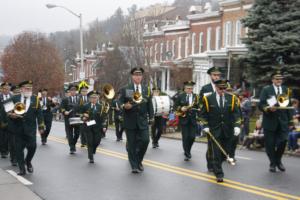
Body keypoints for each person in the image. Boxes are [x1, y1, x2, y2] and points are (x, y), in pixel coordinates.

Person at [200, 79, 241, 182]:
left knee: (225, 152)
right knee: (216, 153)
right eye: (220, 88)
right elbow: (202, 115)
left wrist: (237, 126)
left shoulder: (231, 98)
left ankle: (217, 165)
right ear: (216, 88)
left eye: (224, 88)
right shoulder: (208, 98)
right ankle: (219, 173)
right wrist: (205, 125)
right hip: (213, 130)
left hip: (228, 130)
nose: (222, 90)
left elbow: (236, 114)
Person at [119, 67, 154, 173]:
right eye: (136, 75)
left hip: (142, 120)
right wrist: (124, 106)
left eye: (140, 75)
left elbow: (149, 104)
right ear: (132, 76)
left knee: (145, 140)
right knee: (132, 143)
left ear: (142, 76)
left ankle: (138, 160)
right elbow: (119, 102)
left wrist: (151, 117)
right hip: (130, 120)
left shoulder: (146, 89)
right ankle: (134, 165)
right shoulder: (126, 88)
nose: (138, 77)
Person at [258, 70, 293, 172]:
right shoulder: (266, 90)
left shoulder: (286, 89)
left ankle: (278, 160)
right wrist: (268, 109)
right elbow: (261, 104)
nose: (279, 81)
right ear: (272, 80)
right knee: (270, 144)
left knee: (283, 141)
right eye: (277, 79)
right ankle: (273, 163)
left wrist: (290, 121)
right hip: (270, 121)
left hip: (283, 121)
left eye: (280, 79)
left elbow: (289, 105)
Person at [8, 81, 44, 175]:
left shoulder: (35, 99)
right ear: (21, 89)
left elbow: (39, 114)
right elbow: (7, 110)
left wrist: (41, 126)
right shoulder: (14, 98)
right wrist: (11, 115)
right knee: (19, 149)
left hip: (30, 129)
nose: (29, 90)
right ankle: (21, 169)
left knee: (32, 147)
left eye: (30, 88)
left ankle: (28, 161)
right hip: (17, 128)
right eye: (26, 88)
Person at [199, 66, 221, 171]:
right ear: (210, 76)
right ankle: (211, 163)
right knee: (212, 144)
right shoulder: (205, 89)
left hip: (222, 120)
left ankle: (217, 161)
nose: (216, 77)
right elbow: (200, 104)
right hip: (210, 120)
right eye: (214, 75)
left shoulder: (224, 86)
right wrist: (203, 122)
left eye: (218, 75)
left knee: (220, 143)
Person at [175, 81, 200, 161]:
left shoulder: (196, 97)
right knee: (185, 137)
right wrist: (181, 108)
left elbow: (199, 107)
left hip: (193, 119)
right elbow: (175, 106)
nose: (190, 90)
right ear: (185, 89)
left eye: (191, 88)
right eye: (188, 88)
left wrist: (199, 112)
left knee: (192, 137)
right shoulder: (180, 96)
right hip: (184, 119)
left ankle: (188, 150)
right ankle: (187, 153)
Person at [81, 91, 107, 163]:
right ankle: (91, 157)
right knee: (90, 142)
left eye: (95, 97)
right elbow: (80, 114)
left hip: (97, 127)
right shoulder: (85, 106)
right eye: (92, 97)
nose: (94, 99)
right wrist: (83, 117)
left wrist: (104, 126)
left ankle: (93, 150)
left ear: (97, 98)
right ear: (89, 98)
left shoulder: (101, 106)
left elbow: (104, 117)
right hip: (88, 126)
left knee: (97, 141)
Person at [60, 84, 80, 154]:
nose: (73, 91)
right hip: (68, 119)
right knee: (69, 134)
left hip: (77, 119)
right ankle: (72, 147)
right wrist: (64, 111)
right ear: (69, 91)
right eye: (72, 90)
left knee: (77, 134)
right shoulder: (65, 99)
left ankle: (73, 144)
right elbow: (61, 107)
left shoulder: (79, 99)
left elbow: (83, 107)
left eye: (74, 90)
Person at [0, 82, 12, 158]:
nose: (7, 90)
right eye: (5, 88)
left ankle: (6, 150)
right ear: (1, 89)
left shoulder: (12, 96)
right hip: (0, 119)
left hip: (10, 119)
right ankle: (3, 151)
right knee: (1, 136)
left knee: (9, 136)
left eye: (8, 89)